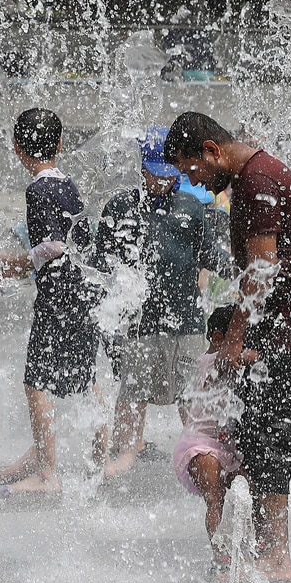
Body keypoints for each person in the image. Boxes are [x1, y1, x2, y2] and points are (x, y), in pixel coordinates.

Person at [164, 111, 291, 582]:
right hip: (283, 324)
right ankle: (259, 547)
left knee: (276, 437)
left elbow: (262, 269)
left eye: (192, 171)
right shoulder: (249, 179)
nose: (197, 184)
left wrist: (235, 337)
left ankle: (278, 557)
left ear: (211, 151)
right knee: (254, 433)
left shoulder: (258, 178)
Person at [0, 109, 104, 491]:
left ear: (17, 148)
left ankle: (47, 473)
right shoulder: (68, 185)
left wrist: (15, 263)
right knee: (85, 377)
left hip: (57, 295)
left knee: (36, 381)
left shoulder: (37, 189)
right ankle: (96, 459)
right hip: (81, 293)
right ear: (59, 144)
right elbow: (79, 243)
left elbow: (53, 246)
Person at [93, 126, 227, 474]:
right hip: (139, 319)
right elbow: (100, 262)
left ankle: (197, 446)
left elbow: (209, 252)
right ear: (142, 167)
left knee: (190, 390)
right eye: (157, 174)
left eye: (170, 174)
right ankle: (127, 449)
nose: (164, 181)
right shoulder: (121, 207)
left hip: (186, 317)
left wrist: (239, 269)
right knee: (133, 388)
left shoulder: (191, 206)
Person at [174, 305, 245, 576]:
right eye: (237, 339)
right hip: (200, 444)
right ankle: (220, 557)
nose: (240, 345)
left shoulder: (209, 361)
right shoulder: (211, 360)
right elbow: (234, 362)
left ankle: (248, 546)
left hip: (225, 445)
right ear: (218, 338)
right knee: (215, 498)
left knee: (245, 489)